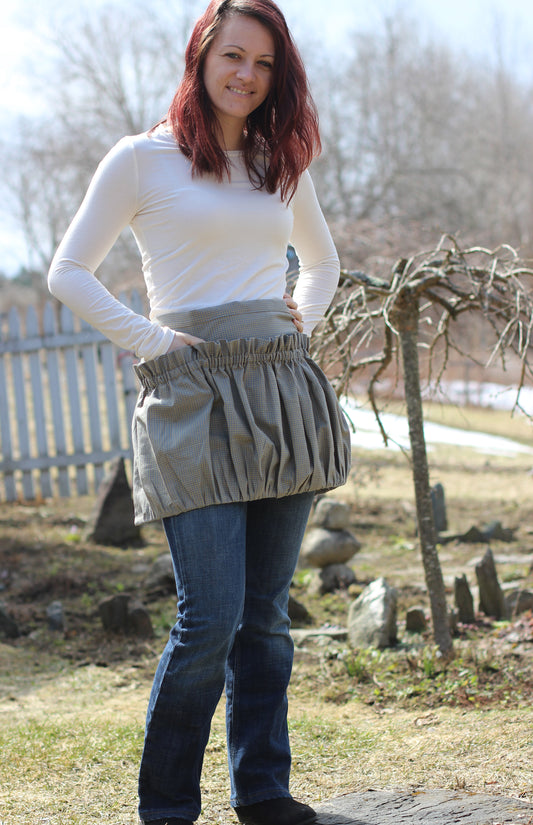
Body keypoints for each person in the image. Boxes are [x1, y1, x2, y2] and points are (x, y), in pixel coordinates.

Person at [48, 1, 351, 823]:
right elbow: (68, 271)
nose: (245, 74)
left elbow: (321, 262)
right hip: (191, 393)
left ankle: (262, 789)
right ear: (201, 56)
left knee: (265, 618)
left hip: (279, 386)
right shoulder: (142, 159)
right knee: (208, 618)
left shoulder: (279, 159)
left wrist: (301, 313)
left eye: (263, 62)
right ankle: (168, 806)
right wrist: (152, 340)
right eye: (232, 56)